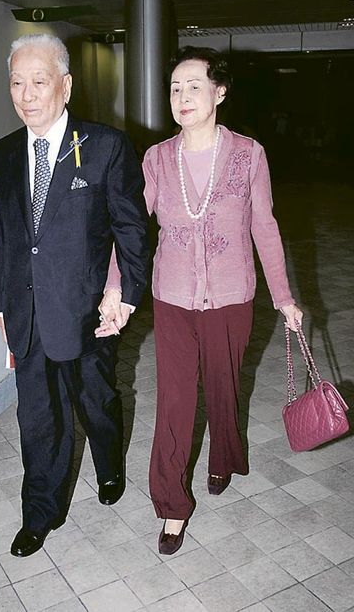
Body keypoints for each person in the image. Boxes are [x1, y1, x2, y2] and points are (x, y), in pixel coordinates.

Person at [100, 46, 302, 556]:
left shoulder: (248, 154)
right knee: (174, 399)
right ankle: (171, 504)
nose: (182, 96)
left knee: (223, 387)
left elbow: (265, 227)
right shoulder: (156, 159)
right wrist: (115, 287)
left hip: (232, 297)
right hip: (172, 298)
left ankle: (223, 456)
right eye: (175, 88)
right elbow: (132, 230)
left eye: (194, 86)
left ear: (220, 92)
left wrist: (283, 296)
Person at [0, 33, 149, 558]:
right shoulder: (3, 153)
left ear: (66, 85)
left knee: (96, 402)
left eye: (39, 81)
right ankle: (40, 512)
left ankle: (110, 466)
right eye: (17, 82)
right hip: (27, 312)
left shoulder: (104, 145)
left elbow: (131, 229)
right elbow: (2, 236)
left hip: (88, 312)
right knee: (38, 418)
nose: (27, 94)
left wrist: (125, 295)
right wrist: (0, 303)